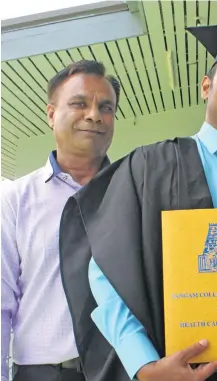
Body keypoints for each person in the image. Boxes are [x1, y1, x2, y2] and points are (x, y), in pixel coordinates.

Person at [58, 18, 217, 381]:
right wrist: (143, 365)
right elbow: (105, 271)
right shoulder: (148, 167)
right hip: (171, 370)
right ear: (206, 86)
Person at [1, 60, 120, 381]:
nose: (94, 115)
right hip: (44, 373)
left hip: (123, 370)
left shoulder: (133, 192)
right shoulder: (16, 199)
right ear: (51, 114)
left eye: (106, 107)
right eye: (79, 103)